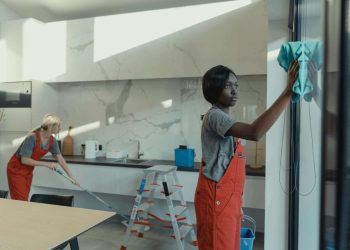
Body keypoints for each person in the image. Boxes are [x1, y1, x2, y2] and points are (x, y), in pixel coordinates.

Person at [194, 61, 299, 250]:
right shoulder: (215, 116)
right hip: (215, 198)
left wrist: (236, 202)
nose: (234, 91)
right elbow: (255, 132)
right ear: (214, 90)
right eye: (227, 86)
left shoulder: (227, 121)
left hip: (228, 201)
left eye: (236, 85)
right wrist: (288, 92)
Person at [7, 113, 80, 201]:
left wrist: (72, 177)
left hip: (28, 170)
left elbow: (60, 159)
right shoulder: (32, 138)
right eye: (58, 126)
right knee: (21, 201)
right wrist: (46, 164)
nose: (60, 128)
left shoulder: (52, 141)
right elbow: (24, 160)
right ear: (50, 126)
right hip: (16, 169)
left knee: (24, 199)